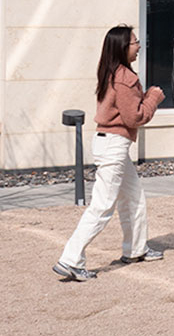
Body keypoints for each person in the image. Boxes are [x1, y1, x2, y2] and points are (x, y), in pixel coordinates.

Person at [53, 25, 166, 282]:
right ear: (123, 47)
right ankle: (70, 260)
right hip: (114, 145)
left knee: (134, 196)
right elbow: (134, 116)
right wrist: (153, 98)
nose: (139, 46)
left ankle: (135, 250)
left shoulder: (111, 71)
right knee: (102, 207)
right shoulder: (125, 77)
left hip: (111, 143)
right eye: (136, 42)